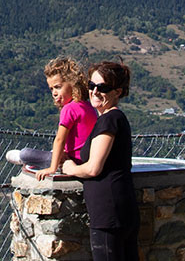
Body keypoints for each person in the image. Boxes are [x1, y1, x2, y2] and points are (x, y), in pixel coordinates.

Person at [59, 60, 138, 261]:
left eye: (102, 87)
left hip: (108, 212)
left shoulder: (109, 120)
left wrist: (70, 167)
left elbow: (94, 168)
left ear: (117, 92)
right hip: (119, 208)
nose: (94, 91)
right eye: (91, 86)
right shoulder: (113, 118)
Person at [5, 56, 97, 180]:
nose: (54, 93)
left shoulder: (69, 109)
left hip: (73, 160)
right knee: (53, 153)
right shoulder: (88, 105)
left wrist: (52, 168)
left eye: (58, 87)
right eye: (51, 89)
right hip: (88, 158)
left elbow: (60, 139)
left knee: (26, 153)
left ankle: (22, 157)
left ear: (73, 84)